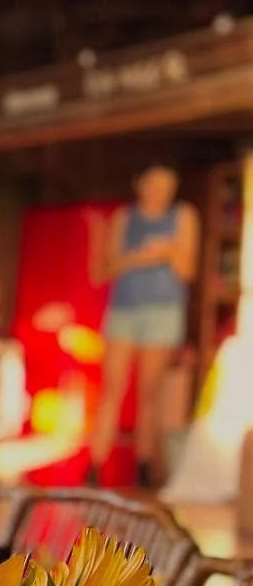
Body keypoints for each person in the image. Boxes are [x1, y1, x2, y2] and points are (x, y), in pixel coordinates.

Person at [87, 163, 198, 489]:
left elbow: (187, 270)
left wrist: (168, 252)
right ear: (140, 184)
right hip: (125, 310)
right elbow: (105, 269)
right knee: (112, 389)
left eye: (166, 186)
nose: (159, 193)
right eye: (154, 184)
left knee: (150, 393)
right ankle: (95, 464)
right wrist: (139, 257)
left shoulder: (183, 216)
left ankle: (144, 463)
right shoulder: (125, 218)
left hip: (163, 311)